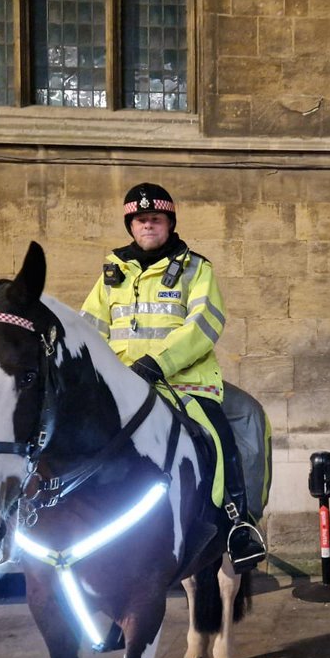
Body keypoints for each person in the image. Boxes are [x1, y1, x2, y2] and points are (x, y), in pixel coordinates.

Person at [81, 183, 266, 574]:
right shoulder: (112, 271)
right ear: (131, 225)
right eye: (140, 219)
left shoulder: (198, 268)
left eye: (156, 219)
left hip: (183, 382)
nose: (148, 225)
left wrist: (157, 363)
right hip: (120, 386)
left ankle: (239, 522)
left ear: (169, 223)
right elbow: (90, 329)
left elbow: (204, 324)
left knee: (226, 430)